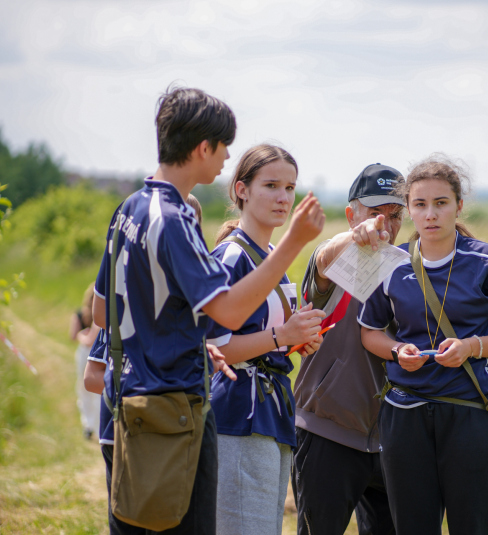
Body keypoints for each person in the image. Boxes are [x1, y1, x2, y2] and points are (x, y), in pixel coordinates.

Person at [91, 86, 325, 535]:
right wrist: (295, 241)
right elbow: (231, 314)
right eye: (223, 148)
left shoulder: (130, 208)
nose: (224, 159)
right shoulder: (175, 219)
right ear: (203, 147)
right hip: (172, 407)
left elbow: (103, 312)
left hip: (128, 402)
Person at [359, 155, 488, 535]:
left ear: (458, 205)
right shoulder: (391, 263)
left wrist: (472, 347)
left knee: (474, 527)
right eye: (420, 205)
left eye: (441, 203)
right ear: (408, 209)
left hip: (471, 412)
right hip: (404, 414)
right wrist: (396, 352)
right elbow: (369, 332)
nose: (430, 214)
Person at [206, 144, 326, 535]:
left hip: (272, 408)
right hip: (240, 408)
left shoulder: (271, 253)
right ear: (241, 189)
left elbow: (268, 339)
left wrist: (298, 339)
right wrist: (282, 335)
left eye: (290, 188)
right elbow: (214, 347)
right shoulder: (231, 257)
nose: (283, 198)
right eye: (271, 185)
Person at [292, 163, 404, 535]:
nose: (385, 225)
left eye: (395, 214)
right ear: (351, 213)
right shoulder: (335, 260)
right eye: (374, 213)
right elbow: (325, 256)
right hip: (329, 433)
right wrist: (358, 236)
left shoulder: (409, 271)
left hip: (394, 440)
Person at [70, 283, 101, 439]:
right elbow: (78, 336)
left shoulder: (86, 315)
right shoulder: (88, 316)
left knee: (87, 388)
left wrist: (83, 336)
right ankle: (90, 424)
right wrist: (84, 336)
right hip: (89, 352)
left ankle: (91, 424)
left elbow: (77, 336)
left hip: (87, 351)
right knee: (88, 388)